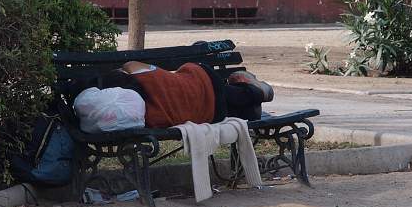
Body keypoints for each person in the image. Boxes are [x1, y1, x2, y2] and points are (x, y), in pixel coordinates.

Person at [85, 61, 274, 129]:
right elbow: (130, 64)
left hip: (211, 114)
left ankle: (252, 101)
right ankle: (253, 91)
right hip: (202, 81)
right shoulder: (146, 76)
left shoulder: (144, 116)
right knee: (224, 94)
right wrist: (122, 70)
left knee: (224, 104)